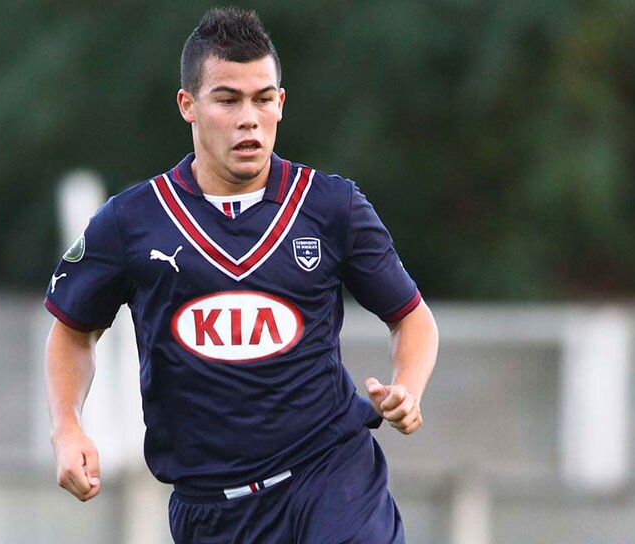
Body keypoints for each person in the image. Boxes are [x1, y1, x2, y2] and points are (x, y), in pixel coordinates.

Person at [44, 7, 438, 543]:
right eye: (228, 99)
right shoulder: (131, 222)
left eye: (263, 98)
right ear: (189, 106)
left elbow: (412, 318)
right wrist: (68, 426)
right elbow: (72, 330)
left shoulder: (332, 207)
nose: (248, 118)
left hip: (332, 480)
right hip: (210, 511)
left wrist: (408, 389)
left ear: (281, 103)